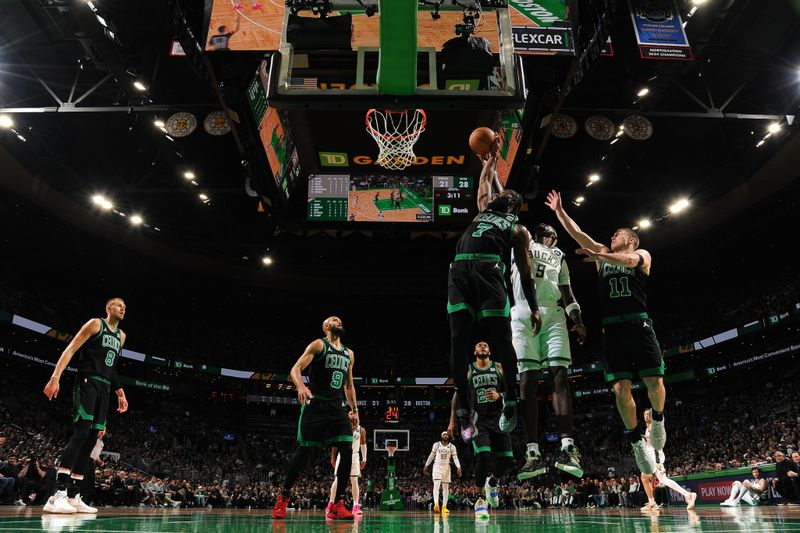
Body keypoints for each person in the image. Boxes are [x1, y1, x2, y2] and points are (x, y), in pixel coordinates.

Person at [545, 190, 665, 476]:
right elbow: (578, 234)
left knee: (653, 380)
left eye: (616, 236)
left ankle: (658, 419)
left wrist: (599, 255)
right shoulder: (602, 255)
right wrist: (560, 212)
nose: (611, 239)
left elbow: (628, 262)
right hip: (612, 327)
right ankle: (636, 439)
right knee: (619, 388)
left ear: (631, 240)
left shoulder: (641, 254)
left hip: (639, 323)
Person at [449, 147, 541, 442]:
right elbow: (484, 184)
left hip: (490, 272)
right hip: (460, 271)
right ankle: (464, 408)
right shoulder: (484, 209)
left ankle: (511, 401)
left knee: (501, 340)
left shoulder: (518, 229)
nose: (502, 195)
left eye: (508, 195)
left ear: (513, 204)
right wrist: (489, 162)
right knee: (458, 340)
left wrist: (534, 306)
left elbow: (525, 272)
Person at [512, 222, 588, 480]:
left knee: (560, 376)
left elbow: (567, 292)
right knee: (528, 380)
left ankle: (567, 448)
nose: (554, 237)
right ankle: (531, 453)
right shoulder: (522, 244)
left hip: (554, 313)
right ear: (540, 235)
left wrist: (577, 320)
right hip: (523, 310)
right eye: (550, 233)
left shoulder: (560, 256)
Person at [43, 298, 129, 514]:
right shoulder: (95, 324)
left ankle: (73, 496)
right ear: (108, 308)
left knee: (91, 439)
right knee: (80, 434)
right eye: (119, 305)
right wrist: (55, 377)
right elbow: (71, 349)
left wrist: (120, 391)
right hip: (87, 382)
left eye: (125, 307)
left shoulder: (122, 336)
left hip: (105, 388)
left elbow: (112, 365)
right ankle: (58, 494)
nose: (123, 308)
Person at [272, 316, 359, 521]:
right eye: (333, 319)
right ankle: (283, 496)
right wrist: (301, 387)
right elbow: (295, 369)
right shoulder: (319, 345)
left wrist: (354, 409)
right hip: (317, 404)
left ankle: (337, 504)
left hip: (338, 408)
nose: (338, 320)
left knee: (347, 449)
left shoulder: (349, 354)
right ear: (325, 326)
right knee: (304, 451)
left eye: (340, 319)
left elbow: (349, 385)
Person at [448, 342, 513, 520]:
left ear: (489, 351)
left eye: (485, 345)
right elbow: (457, 393)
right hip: (478, 420)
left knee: (507, 459)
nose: (483, 346)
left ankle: (492, 483)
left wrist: (500, 395)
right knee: (483, 456)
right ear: (475, 352)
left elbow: (512, 390)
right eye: (479, 345)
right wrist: (452, 420)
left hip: (498, 418)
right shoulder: (469, 369)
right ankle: (480, 501)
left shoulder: (499, 367)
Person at [639, 409, 696, 511]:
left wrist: (640, 437)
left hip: (655, 455)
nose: (646, 416)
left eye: (648, 414)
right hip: (651, 455)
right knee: (652, 478)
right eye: (645, 414)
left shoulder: (653, 427)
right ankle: (652, 502)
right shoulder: (648, 428)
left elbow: (653, 439)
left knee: (653, 478)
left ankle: (687, 494)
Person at [328, 410, 367, 516]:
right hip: (342, 454)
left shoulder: (361, 430)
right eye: (351, 413)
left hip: (354, 456)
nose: (353, 415)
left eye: (355, 413)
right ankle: (331, 503)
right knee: (337, 480)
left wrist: (364, 458)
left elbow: (363, 444)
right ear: (347, 416)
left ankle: (355, 505)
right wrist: (333, 457)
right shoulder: (342, 427)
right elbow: (335, 444)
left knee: (354, 480)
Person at [423, 431, 461, 515]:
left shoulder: (452, 447)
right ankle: (436, 504)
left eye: (447, 434)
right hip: (437, 466)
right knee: (436, 485)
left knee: (445, 488)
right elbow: (431, 456)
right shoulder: (436, 445)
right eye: (444, 434)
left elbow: (455, 458)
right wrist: (426, 465)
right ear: (441, 436)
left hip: (446, 467)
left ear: (449, 436)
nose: (445, 435)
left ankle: (444, 507)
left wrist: (459, 467)